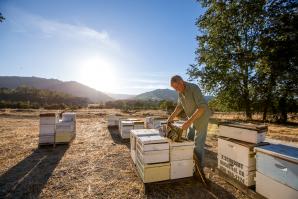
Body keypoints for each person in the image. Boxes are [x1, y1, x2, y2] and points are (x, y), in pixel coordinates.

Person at [167, 75, 212, 178]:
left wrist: (188, 121)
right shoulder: (180, 93)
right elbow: (178, 108)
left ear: (181, 82)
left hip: (202, 117)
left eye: (177, 87)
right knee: (188, 141)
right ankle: (189, 165)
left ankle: (199, 170)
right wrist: (169, 119)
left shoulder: (193, 88)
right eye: (174, 88)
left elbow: (202, 107)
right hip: (191, 118)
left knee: (198, 144)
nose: (176, 90)